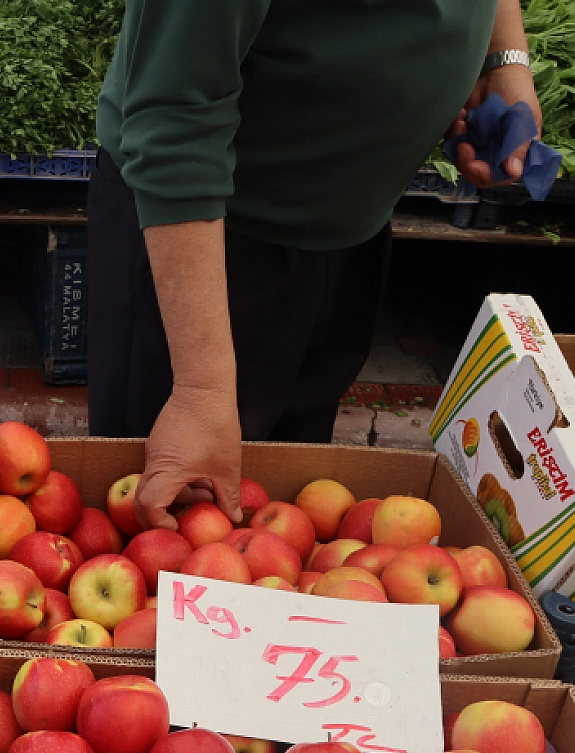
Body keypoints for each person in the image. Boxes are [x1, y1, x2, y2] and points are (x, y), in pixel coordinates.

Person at [89, 0, 540, 532]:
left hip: (349, 231)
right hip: (209, 245)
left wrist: (501, 55)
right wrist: (201, 391)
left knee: (280, 502)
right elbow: (175, 119)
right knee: (173, 512)